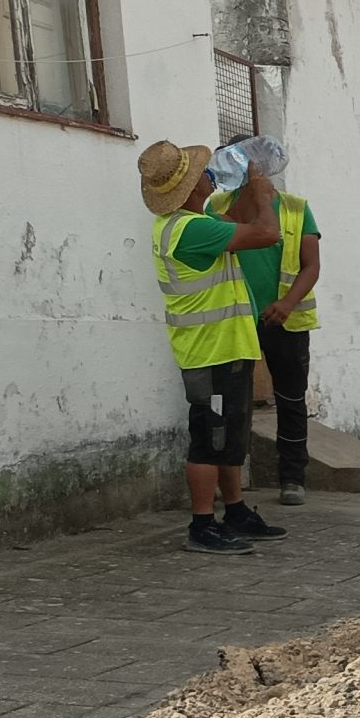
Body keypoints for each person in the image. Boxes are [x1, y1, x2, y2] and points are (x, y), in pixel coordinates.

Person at [135, 139, 288, 555]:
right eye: (202, 173)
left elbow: (236, 223)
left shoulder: (190, 224)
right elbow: (266, 233)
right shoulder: (191, 229)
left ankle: (235, 510)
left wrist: (247, 191)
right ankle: (202, 524)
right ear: (192, 187)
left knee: (230, 437)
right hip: (211, 351)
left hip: (222, 347)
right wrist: (262, 195)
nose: (209, 175)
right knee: (210, 438)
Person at [208, 164, 321, 506]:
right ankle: (226, 479)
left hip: (285, 321)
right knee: (225, 402)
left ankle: (292, 478)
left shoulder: (296, 208)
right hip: (234, 318)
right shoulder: (216, 208)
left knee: (290, 400)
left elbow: (311, 265)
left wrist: (287, 302)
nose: (255, 175)